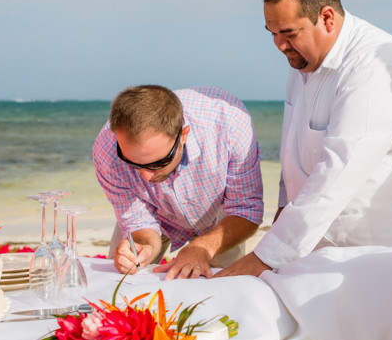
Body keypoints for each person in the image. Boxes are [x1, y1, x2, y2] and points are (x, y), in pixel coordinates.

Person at [218, 0, 392, 278]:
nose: (279, 45)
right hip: (323, 250)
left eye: (289, 33)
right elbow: (293, 145)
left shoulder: (375, 65)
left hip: (388, 251)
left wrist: (264, 258)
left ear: (327, 18)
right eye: (272, 33)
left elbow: (339, 169)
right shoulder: (301, 61)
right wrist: (283, 212)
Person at [92, 84, 264, 279]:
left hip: (219, 217)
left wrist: (202, 247)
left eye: (159, 162)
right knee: (123, 279)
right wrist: (144, 246)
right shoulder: (106, 151)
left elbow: (245, 209)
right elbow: (138, 221)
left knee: (222, 288)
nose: (147, 177)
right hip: (154, 209)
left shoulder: (230, 123)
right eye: (132, 164)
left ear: (183, 135)